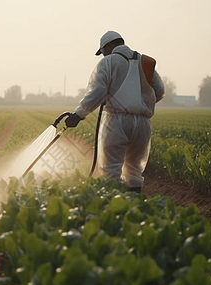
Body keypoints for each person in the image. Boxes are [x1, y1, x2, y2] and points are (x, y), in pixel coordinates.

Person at [65, 30, 165, 193]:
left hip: (117, 120)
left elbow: (97, 92)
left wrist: (79, 114)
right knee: (134, 171)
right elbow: (159, 91)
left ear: (110, 45)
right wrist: (141, 102)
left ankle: (116, 209)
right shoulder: (144, 61)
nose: (103, 55)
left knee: (111, 169)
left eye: (103, 51)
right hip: (142, 124)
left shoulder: (109, 62)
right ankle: (134, 208)